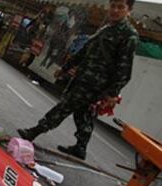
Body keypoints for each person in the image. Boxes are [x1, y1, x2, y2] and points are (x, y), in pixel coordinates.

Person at [18, 0, 139, 160]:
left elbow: (124, 69)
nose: (115, 10)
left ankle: (34, 132)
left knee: (64, 107)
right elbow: (85, 51)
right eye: (113, 6)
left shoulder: (129, 35)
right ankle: (80, 147)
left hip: (96, 85)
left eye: (120, 7)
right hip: (84, 79)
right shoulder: (106, 29)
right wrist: (65, 68)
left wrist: (112, 93)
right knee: (83, 114)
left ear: (128, 10)